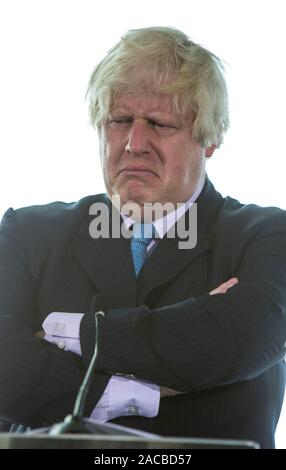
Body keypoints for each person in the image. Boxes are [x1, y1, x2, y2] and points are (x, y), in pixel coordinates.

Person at [0, 26, 285, 449]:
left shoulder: (268, 236)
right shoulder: (26, 232)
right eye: (119, 121)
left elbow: (237, 341)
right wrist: (135, 393)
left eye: (159, 124)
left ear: (210, 139)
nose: (134, 143)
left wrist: (72, 334)